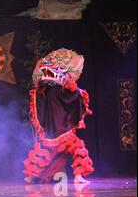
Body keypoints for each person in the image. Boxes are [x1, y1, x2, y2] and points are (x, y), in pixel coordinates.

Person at [23, 49, 94, 185]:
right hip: (64, 130)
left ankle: (31, 176)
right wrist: (76, 92)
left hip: (51, 132)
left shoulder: (48, 90)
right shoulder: (57, 90)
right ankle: (79, 177)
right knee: (78, 148)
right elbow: (74, 97)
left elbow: (39, 89)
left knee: (43, 151)